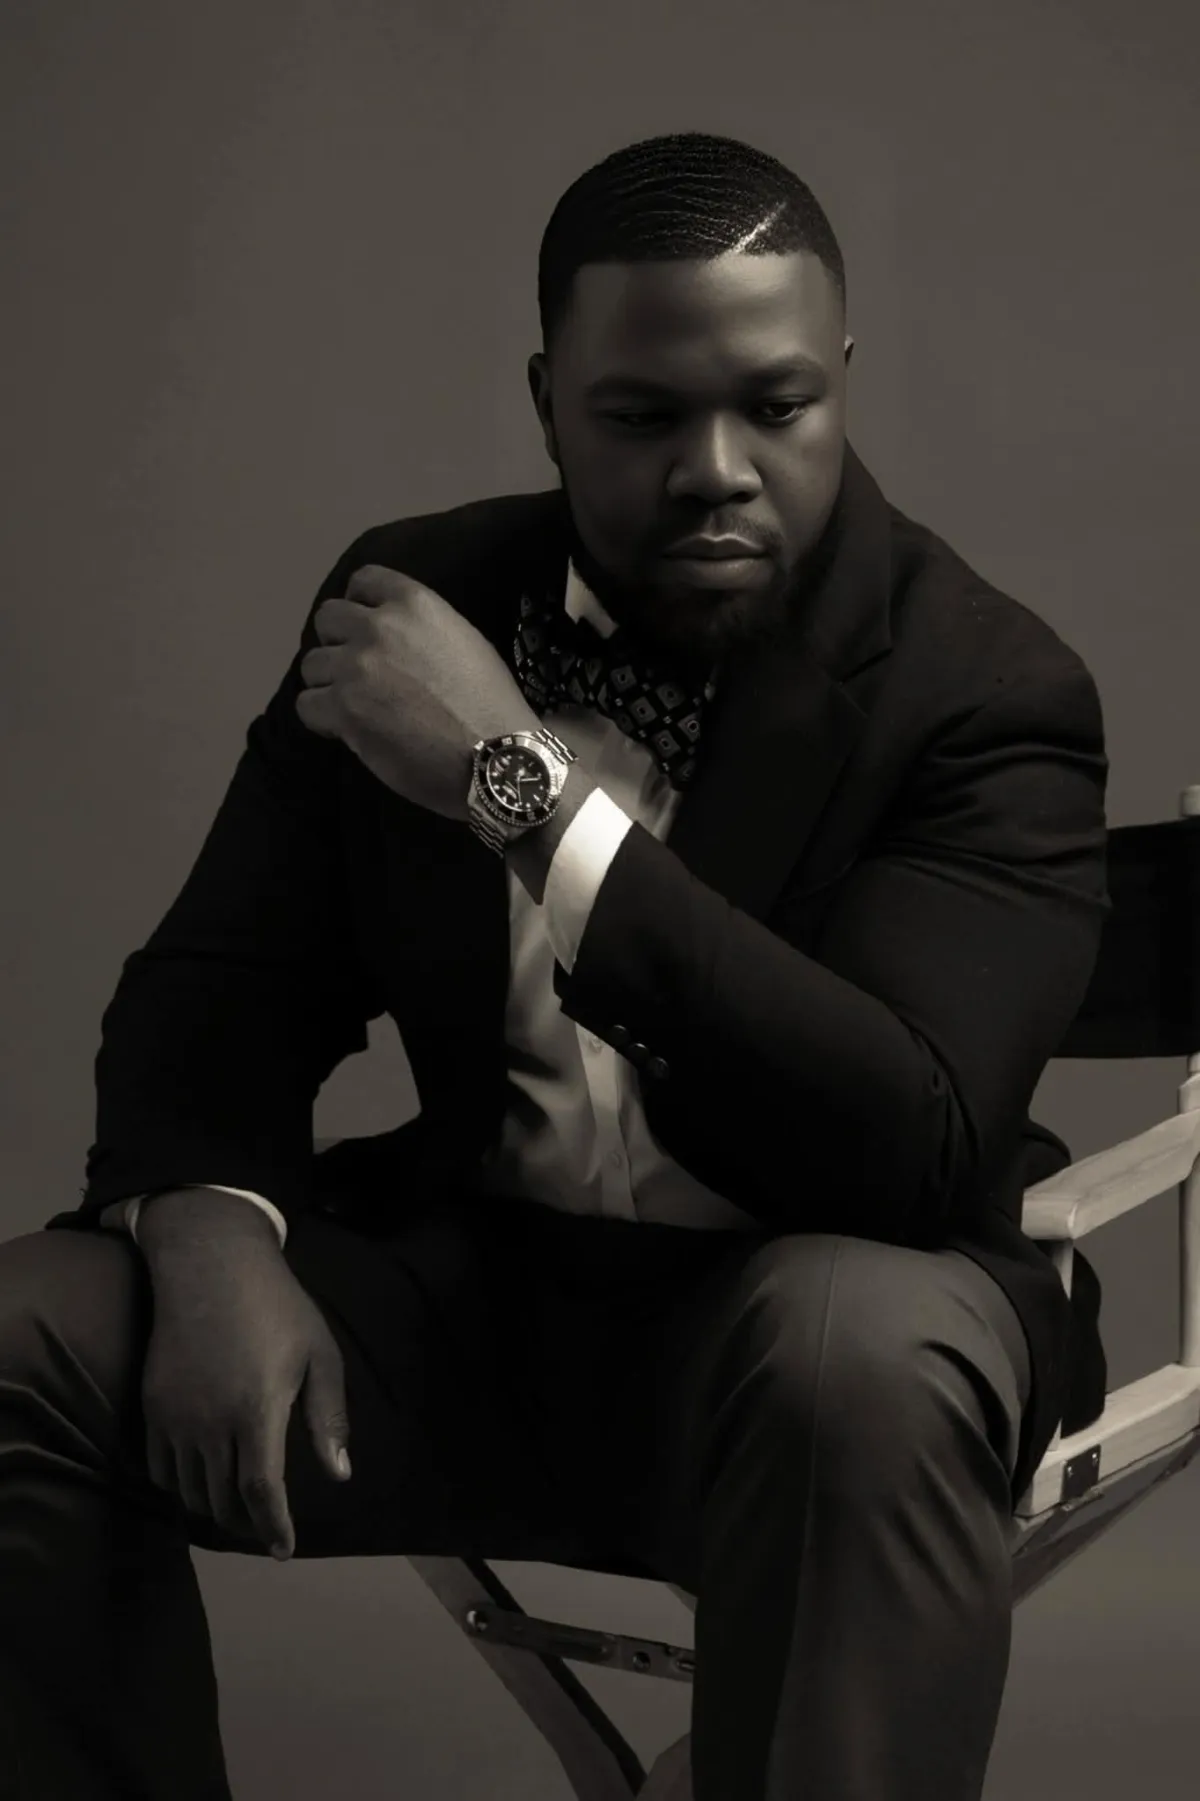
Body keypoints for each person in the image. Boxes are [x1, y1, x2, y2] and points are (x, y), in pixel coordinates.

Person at [0, 130, 1110, 1801]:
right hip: (479, 1315)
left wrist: (512, 789)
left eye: (778, 405)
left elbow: (909, 1145)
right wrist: (211, 1235)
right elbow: (216, 988)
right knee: (21, 1334)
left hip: (810, 1339)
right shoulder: (416, 609)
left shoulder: (985, 686)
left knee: (855, 1350)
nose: (718, 469)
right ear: (546, 402)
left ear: (844, 380)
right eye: (643, 416)